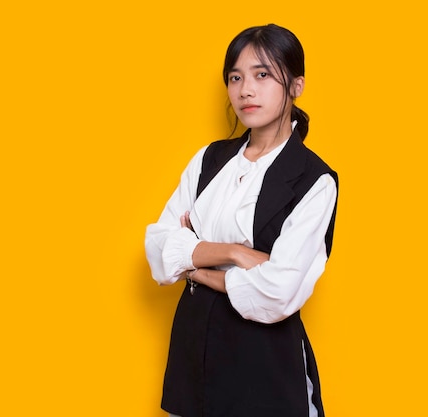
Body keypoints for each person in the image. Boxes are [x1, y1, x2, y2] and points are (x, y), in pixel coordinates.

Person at [145, 23, 338, 417]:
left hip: (264, 363)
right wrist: (237, 253)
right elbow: (158, 247)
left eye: (262, 74)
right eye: (236, 77)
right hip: (193, 354)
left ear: (297, 85)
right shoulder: (209, 160)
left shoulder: (314, 180)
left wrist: (193, 266)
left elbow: (277, 292)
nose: (245, 90)